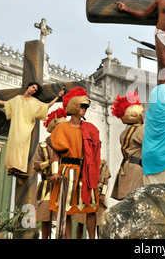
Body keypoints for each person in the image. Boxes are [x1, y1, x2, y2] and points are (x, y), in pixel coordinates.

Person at [47, 87, 101, 239]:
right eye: (82, 106)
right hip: (68, 171)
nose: (84, 109)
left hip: (87, 171)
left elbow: (96, 153)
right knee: (67, 210)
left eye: (85, 107)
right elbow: (55, 153)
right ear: (74, 107)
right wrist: (55, 172)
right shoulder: (61, 128)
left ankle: (92, 238)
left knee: (91, 208)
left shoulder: (91, 129)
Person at [0, 82, 64, 177]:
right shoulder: (17, 99)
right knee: (13, 145)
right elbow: (6, 104)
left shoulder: (34, 102)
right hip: (15, 127)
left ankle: (18, 167)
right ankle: (12, 167)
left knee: (21, 146)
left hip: (25, 128)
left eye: (35, 89)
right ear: (28, 86)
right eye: (33, 87)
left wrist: (58, 96)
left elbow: (46, 106)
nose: (33, 89)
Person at [33, 107, 67, 239]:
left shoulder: (67, 145)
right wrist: (49, 162)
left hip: (63, 183)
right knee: (45, 217)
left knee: (63, 216)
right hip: (47, 184)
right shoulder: (43, 145)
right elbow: (36, 165)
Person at [110, 90, 145, 200]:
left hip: (125, 167)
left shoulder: (124, 132)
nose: (142, 116)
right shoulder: (140, 130)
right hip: (136, 169)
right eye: (140, 114)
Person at [71, 159, 111, 239]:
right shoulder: (83, 162)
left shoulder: (103, 164)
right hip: (85, 194)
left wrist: (103, 195)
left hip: (99, 195)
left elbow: (106, 182)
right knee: (81, 221)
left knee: (100, 222)